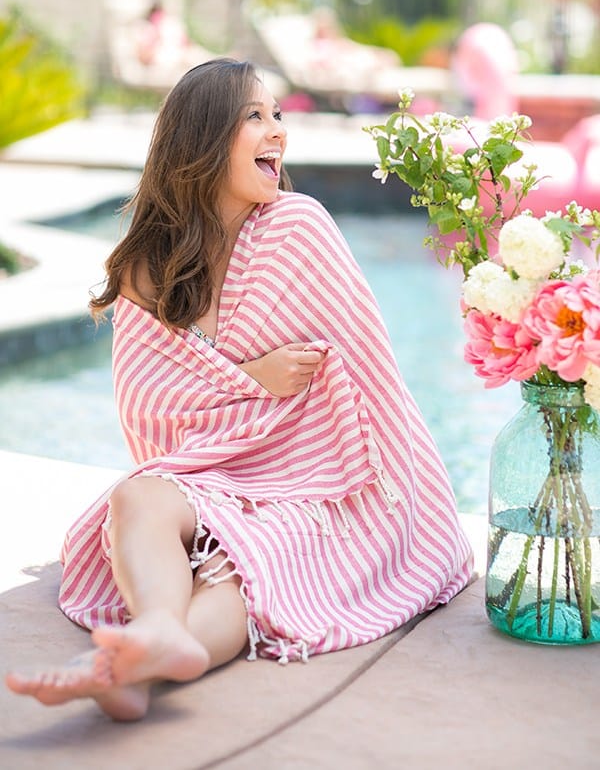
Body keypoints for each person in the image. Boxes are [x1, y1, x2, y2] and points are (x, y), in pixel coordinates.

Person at [5, 58, 474, 722]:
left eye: (278, 114)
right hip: (215, 476)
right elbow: (148, 408)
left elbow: (371, 380)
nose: (277, 130)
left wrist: (407, 497)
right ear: (201, 139)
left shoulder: (299, 229)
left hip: (319, 486)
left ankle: (134, 660)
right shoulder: (152, 266)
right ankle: (154, 640)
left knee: (240, 559)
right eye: (254, 116)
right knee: (137, 497)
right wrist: (252, 382)